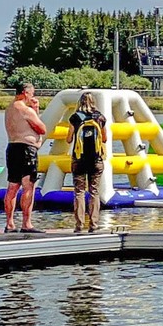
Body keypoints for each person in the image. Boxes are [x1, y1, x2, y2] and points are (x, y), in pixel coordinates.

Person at [2, 82, 48, 233]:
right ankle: (26, 223)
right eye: (31, 93)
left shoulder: (9, 108)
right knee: (28, 185)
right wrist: (35, 110)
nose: (32, 97)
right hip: (26, 150)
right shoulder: (24, 109)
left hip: (13, 147)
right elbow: (41, 128)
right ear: (24, 93)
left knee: (12, 186)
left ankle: (9, 223)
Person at [67, 93, 107, 234]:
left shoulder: (75, 117)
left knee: (79, 192)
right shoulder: (100, 117)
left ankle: (79, 225)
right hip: (96, 161)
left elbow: (69, 139)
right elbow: (105, 138)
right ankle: (94, 225)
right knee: (94, 192)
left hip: (79, 160)